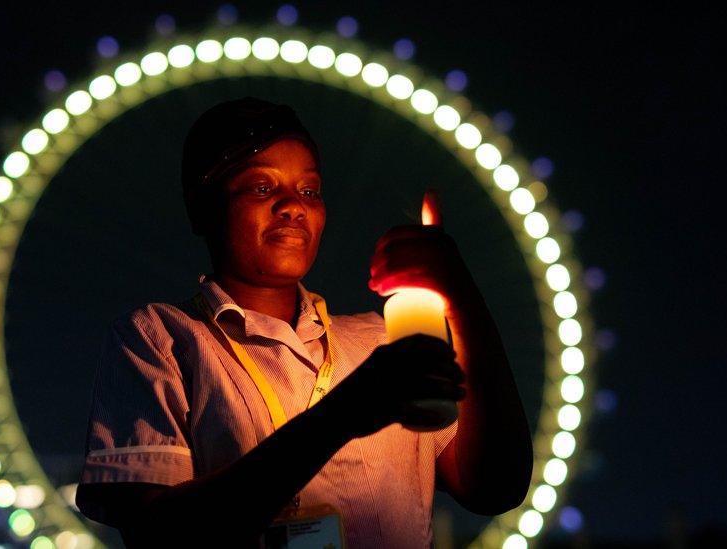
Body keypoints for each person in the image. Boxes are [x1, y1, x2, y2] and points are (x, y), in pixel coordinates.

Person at [75, 97, 532, 548]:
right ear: (203, 209)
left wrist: (461, 297)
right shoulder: (161, 339)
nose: (292, 205)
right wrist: (344, 413)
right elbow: (158, 535)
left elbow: (494, 487)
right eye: (261, 187)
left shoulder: (382, 341)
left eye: (309, 190)